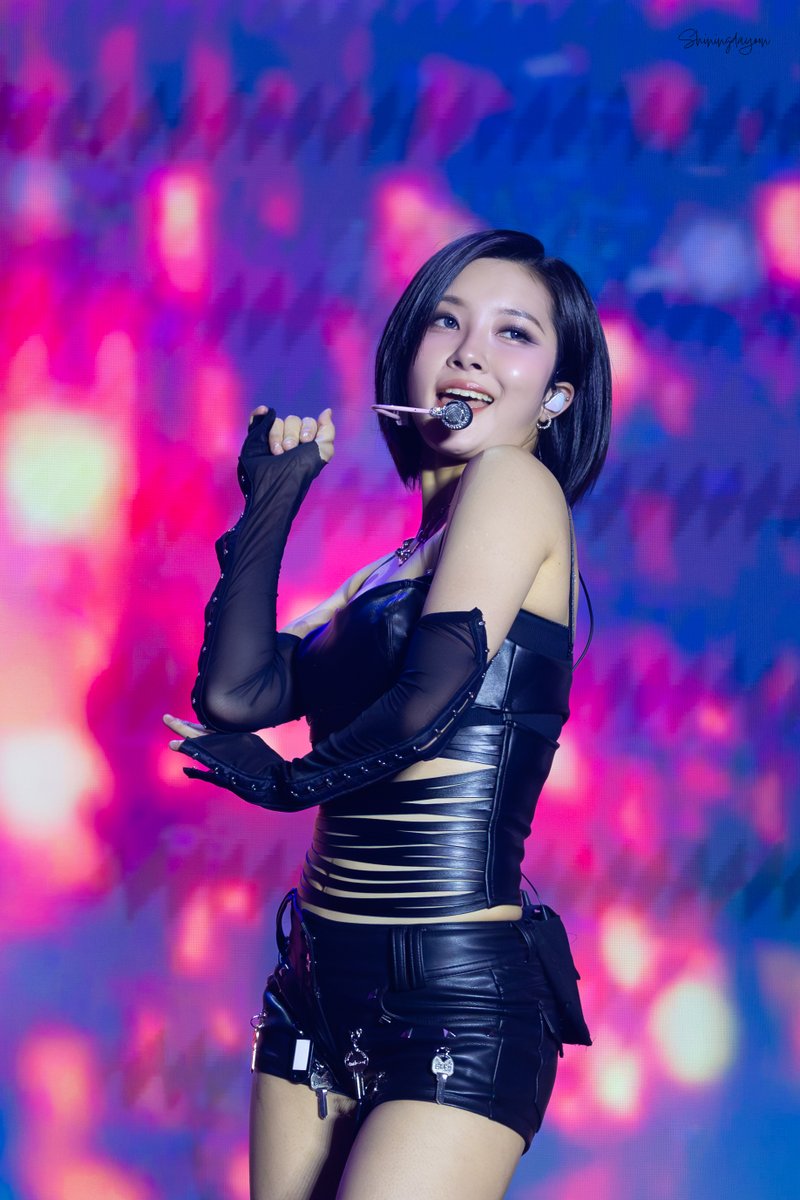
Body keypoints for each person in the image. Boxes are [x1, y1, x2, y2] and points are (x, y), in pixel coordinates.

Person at [163, 228, 611, 1200]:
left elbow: (428, 701)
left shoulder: (514, 484)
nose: (470, 353)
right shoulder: (388, 569)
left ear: (555, 397)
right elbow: (237, 694)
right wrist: (270, 506)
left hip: (456, 991)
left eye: (513, 334)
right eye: (446, 322)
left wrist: (289, 782)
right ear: (408, 352)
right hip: (313, 981)